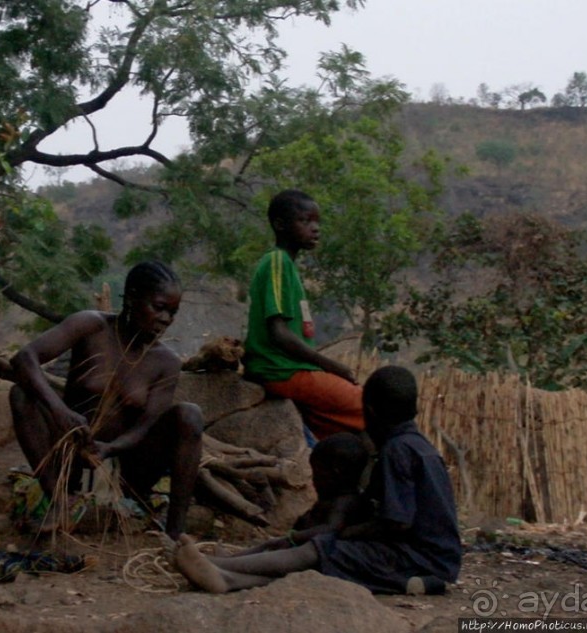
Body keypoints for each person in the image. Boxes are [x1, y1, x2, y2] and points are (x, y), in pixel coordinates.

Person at [175, 365, 462, 596]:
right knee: (320, 566)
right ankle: (227, 578)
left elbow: (397, 522)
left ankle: (220, 566)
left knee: (323, 549)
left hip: (416, 559)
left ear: (370, 412)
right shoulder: (420, 447)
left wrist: (348, 533)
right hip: (433, 559)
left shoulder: (397, 451)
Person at [8, 261, 203, 540]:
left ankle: (175, 534)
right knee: (21, 394)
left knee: (190, 415)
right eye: (159, 307)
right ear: (132, 297)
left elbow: (146, 426)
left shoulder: (166, 362)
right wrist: (60, 411)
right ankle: (60, 501)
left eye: (172, 312)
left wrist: (111, 448)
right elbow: (24, 358)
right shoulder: (91, 326)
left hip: (125, 470)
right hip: (70, 459)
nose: (166, 319)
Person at [242, 189, 364, 442]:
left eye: (317, 222)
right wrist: (331, 366)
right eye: (305, 221)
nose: (315, 228)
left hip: (291, 370)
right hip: (281, 370)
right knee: (372, 407)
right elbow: (278, 333)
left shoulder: (288, 266)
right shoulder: (277, 262)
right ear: (280, 225)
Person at [230, 432, 370, 555]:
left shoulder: (345, 502)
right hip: (302, 547)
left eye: (317, 474)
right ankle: (232, 559)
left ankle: (230, 561)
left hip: (314, 553)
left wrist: (294, 537)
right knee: (268, 546)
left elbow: (331, 529)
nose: (314, 480)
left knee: (270, 548)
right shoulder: (333, 498)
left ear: (335, 473)